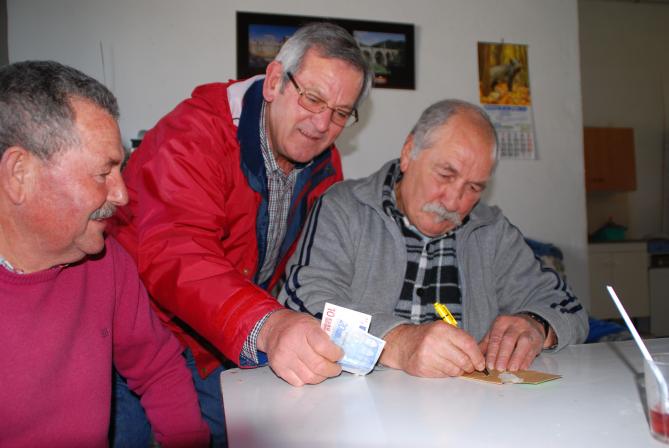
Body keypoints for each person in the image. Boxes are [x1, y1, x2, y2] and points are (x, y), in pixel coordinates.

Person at [107, 22, 373, 444]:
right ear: (274, 81)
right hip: (138, 338)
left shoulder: (324, 162)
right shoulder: (194, 133)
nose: (322, 123)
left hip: (219, 339)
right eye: (312, 98)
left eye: (340, 113)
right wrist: (269, 324)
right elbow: (177, 253)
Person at [279, 99, 589, 378]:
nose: (454, 201)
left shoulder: (491, 230)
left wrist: (535, 324)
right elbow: (302, 299)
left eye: (474, 188)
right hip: (358, 408)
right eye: (445, 175)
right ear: (408, 153)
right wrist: (397, 342)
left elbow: (568, 308)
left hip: (470, 412)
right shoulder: (344, 206)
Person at [0, 60, 209, 446]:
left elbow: (159, 367)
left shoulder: (104, 260)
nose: (122, 195)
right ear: (19, 174)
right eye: (103, 173)